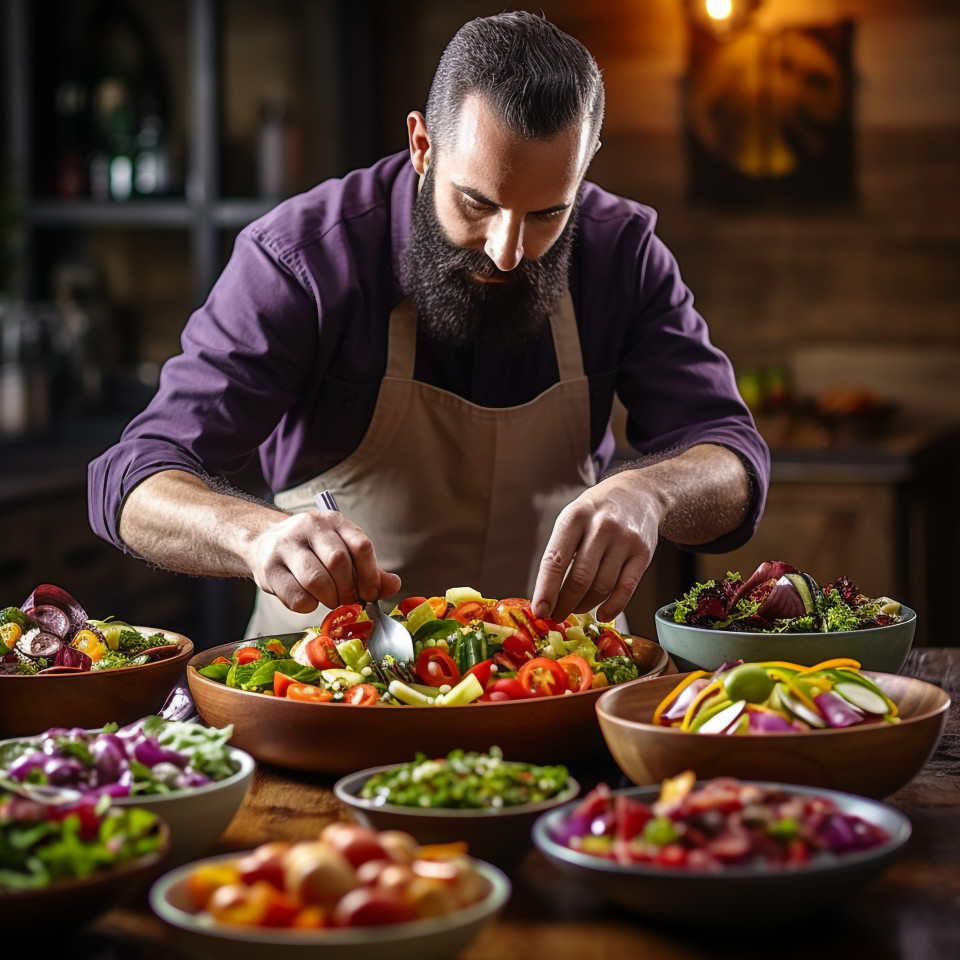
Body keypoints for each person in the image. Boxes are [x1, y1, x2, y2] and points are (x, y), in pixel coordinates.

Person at [88, 11, 770, 639]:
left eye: (546, 215)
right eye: (477, 202)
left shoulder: (622, 252)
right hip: (332, 696)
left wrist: (650, 493)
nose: (507, 251)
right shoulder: (302, 259)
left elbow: (732, 460)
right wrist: (255, 537)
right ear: (422, 145)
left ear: (585, 167)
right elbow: (135, 481)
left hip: (557, 688)